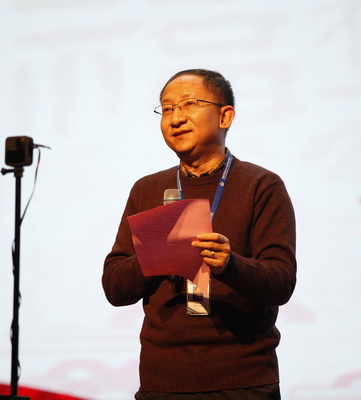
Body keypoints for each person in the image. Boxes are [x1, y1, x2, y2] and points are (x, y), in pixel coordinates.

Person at [102, 69, 297, 399]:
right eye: (167, 109)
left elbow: (281, 282)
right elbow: (115, 288)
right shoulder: (148, 189)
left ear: (225, 116)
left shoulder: (261, 186)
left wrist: (230, 265)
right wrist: (156, 254)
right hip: (162, 382)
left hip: (243, 380)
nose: (176, 118)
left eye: (189, 104)